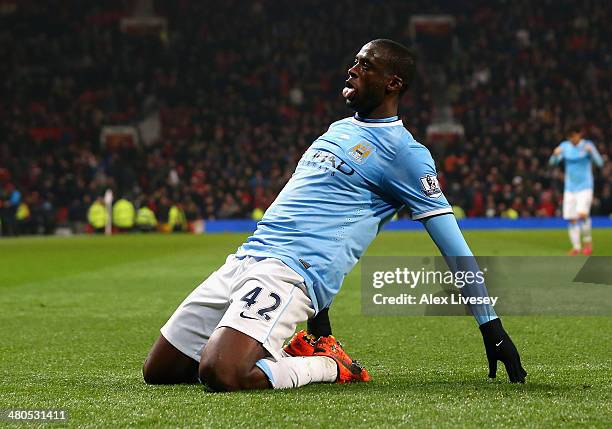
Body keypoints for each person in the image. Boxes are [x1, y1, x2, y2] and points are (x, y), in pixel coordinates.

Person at [143, 39, 527, 391]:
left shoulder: (405, 154)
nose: (353, 69)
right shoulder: (339, 129)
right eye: (354, 62)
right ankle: (275, 348)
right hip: (247, 258)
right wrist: (319, 325)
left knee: (222, 373)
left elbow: (453, 246)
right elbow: (317, 214)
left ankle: (328, 366)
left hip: (290, 272)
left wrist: (490, 327)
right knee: (159, 371)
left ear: (393, 83)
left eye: (365, 65)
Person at [549, 124, 604, 255]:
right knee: (572, 218)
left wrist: (592, 152)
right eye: (570, 136)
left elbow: (600, 163)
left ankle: (588, 241)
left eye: (574, 135)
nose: (572, 139)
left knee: (582, 214)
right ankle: (576, 247)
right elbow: (552, 163)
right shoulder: (565, 146)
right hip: (569, 188)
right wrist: (554, 155)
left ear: (579, 134)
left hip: (585, 186)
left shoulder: (587, 145)